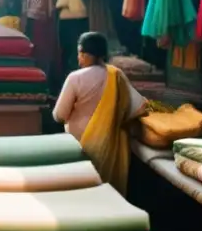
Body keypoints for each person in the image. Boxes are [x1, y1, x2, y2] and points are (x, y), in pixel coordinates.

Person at [52, 32, 145, 195]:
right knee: (108, 195)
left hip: (80, 146)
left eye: (79, 54)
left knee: (83, 194)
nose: (78, 58)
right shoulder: (117, 75)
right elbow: (137, 107)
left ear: (83, 53)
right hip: (111, 146)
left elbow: (59, 115)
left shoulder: (76, 78)